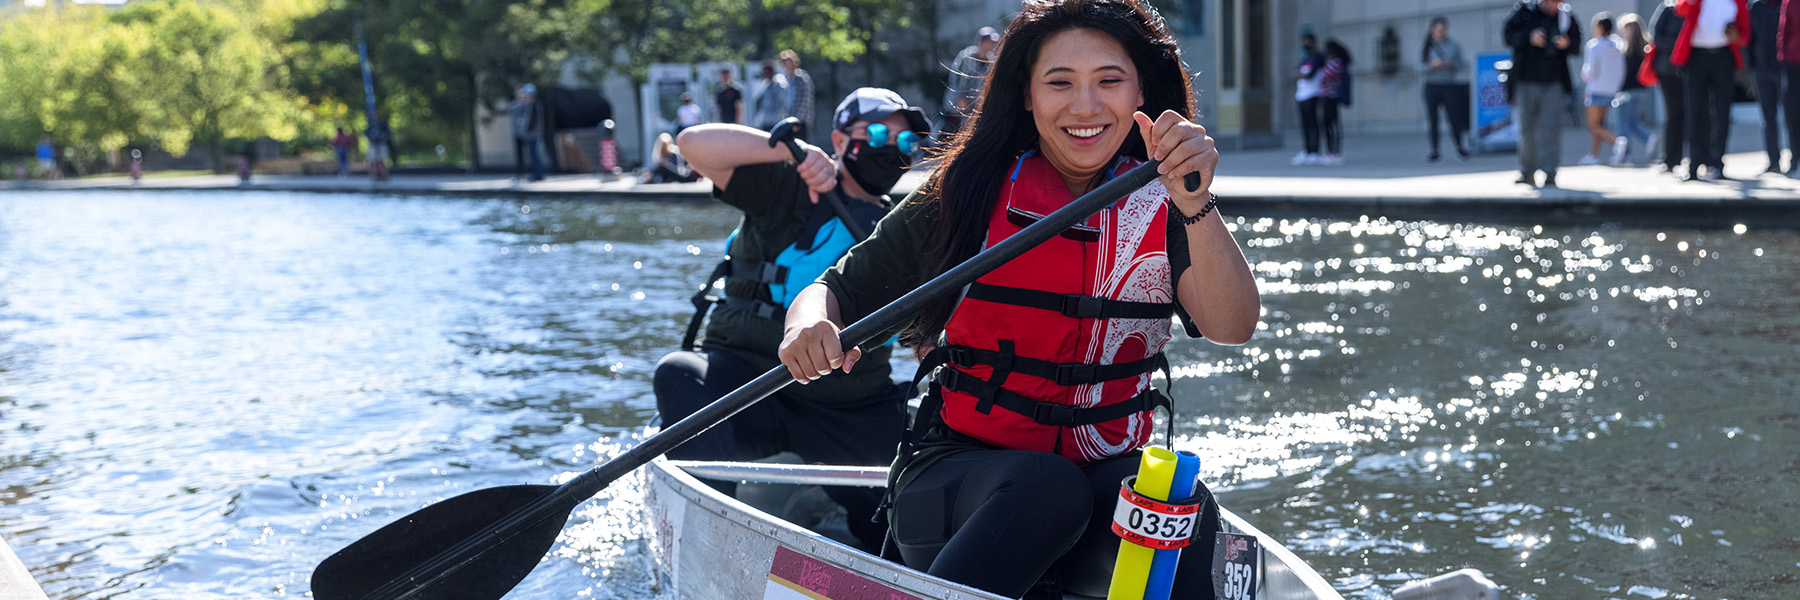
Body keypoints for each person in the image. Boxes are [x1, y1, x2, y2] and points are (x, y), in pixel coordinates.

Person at [777, 1, 1258, 597]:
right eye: (1060, 83)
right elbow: (831, 291)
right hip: (957, 484)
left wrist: (1197, 203)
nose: (1085, 107)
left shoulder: (1170, 202)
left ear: (1142, 92)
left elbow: (1233, 324)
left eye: (1109, 81)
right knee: (1047, 486)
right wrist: (806, 327)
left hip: (1097, 476)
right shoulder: (967, 191)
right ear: (1026, 96)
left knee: (1178, 511)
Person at [654, 87, 933, 552]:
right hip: (750, 384)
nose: (892, 148)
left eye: (906, 143)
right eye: (880, 132)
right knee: (679, 373)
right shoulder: (789, 184)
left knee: (897, 523)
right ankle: (710, 540)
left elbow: (925, 333)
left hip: (850, 403)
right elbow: (692, 144)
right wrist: (787, 147)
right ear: (841, 141)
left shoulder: (902, 230)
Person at [1504, 0, 1583, 188]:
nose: (1555, 6)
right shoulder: (1525, 11)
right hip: (1526, 79)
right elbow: (1508, 36)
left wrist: (1567, 43)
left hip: (1554, 81)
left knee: (1552, 127)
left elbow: (1577, 45)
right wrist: (1529, 37)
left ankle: (1550, 172)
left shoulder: (1566, 16)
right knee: (1527, 128)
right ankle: (1527, 171)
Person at [1671, 0, 1750, 182]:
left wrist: (1736, 35)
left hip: (1723, 57)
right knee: (1695, 112)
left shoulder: (1736, 3)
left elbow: (1745, 36)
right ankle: (1694, 165)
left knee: (1722, 112)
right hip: (1697, 57)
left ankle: (1717, 163)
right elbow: (1680, 9)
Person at [1421, 16, 1471, 163]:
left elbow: (1461, 64)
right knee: (1433, 120)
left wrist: (1451, 64)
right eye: (1438, 30)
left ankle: (1460, 148)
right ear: (1432, 30)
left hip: (1449, 85)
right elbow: (1418, 66)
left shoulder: (1453, 45)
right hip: (1431, 86)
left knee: (1454, 118)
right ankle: (1435, 151)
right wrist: (1432, 65)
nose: (1441, 33)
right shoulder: (1425, 47)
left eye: (1443, 30)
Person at [1580, 13, 1625, 166]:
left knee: (1592, 125)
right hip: (1611, 90)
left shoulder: (1594, 46)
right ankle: (1593, 155)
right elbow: (1621, 71)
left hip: (1596, 89)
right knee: (1599, 124)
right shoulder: (1617, 45)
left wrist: (1584, 75)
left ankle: (1617, 143)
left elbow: (1590, 71)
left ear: (1599, 27)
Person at [942, 26, 1002, 142]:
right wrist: (960, 98)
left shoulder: (991, 61)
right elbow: (956, 79)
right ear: (981, 42)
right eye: (988, 41)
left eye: (993, 42)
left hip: (978, 108)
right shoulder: (966, 57)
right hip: (961, 108)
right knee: (961, 138)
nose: (991, 45)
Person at [1613, 14, 1658, 166]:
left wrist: (1617, 88)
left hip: (1627, 90)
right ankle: (1648, 138)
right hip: (1641, 89)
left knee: (1623, 123)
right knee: (1632, 121)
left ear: (1630, 29)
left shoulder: (1629, 50)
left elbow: (1625, 74)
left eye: (1624, 29)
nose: (1621, 32)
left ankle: (1624, 154)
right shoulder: (1645, 47)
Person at [1652, 1, 1690, 173]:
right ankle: (1671, 158)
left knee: (1695, 115)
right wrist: (1679, 45)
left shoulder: (1694, 8)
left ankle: (1699, 158)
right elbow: (1657, 37)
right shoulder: (1668, 9)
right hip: (1668, 70)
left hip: (1690, 70)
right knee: (1674, 113)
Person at [1750, 0, 1785, 173]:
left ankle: (1796, 161)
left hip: (1785, 69)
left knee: (1793, 117)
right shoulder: (1756, 7)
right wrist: (1751, 67)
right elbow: (1750, 38)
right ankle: (1773, 161)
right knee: (1768, 119)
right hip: (1761, 70)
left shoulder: (1788, 4)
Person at [1292, 31, 1325, 165]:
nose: (1305, 44)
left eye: (1307, 41)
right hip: (1302, 95)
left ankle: (1315, 151)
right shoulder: (1305, 57)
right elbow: (1296, 72)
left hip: (1313, 94)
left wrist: (1300, 75)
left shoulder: (1318, 57)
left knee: (1313, 124)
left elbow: (1310, 75)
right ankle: (1306, 150)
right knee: (1304, 124)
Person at [1317, 39, 1352, 166]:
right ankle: (1330, 150)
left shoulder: (1336, 63)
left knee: (1331, 124)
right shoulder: (1333, 63)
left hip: (1331, 97)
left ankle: (1334, 151)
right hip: (1327, 97)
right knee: (1328, 124)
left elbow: (1324, 76)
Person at [511, 84, 547, 182]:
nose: (525, 97)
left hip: (533, 135)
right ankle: (535, 174)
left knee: (535, 155)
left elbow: (533, 123)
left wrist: (525, 130)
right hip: (529, 135)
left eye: (527, 95)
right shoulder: (529, 106)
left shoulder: (535, 106)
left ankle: (538, 175)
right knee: (532, 155)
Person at [1781, 0, 1800, 176]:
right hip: (1794, 65)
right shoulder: (1791, 2)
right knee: (1794, 114)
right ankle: (1796, 159)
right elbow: (1783, 31)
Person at [779, 50, 815, 140]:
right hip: (789, 119)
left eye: (788, 63)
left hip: (801, 121)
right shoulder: (787, 80)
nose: (786, 66)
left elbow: (805, 101)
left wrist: (797, 120)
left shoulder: (802, 78)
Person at [751, 59, 789, 131]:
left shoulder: (779, 84)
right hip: (767, 121)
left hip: (777, 122)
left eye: (765, 71)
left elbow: (782, 104)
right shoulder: (767, 85)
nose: (763, 74)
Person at [365, 115, 392, 182]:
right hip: (374, 144)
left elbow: (388, 134)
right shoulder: (371, 125)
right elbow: (367, 133)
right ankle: (374, 175)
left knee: (382, 161)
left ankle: (384, 175)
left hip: (381, 144)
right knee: (373, 161)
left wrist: (383, 137)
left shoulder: (383, 125)